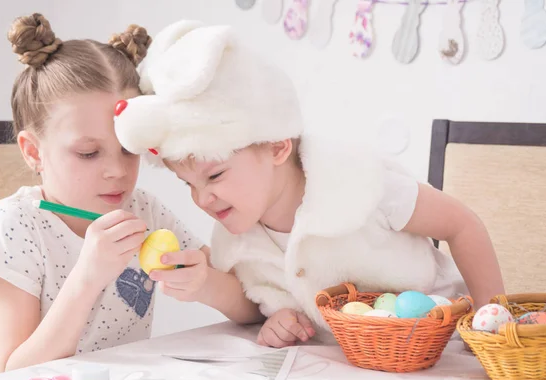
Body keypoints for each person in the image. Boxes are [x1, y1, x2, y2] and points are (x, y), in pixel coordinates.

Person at [113, 20, 506, 348]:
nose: (202, 198)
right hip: (355, 372)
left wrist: (493, 326)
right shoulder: (237, 239)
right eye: (188, 185)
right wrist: (277, 320)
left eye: (214, 176)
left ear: (277, 147)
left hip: (447, 348)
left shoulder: (361, 184)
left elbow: (462, 224)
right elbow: (252, 300)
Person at [0, 14, 260, 380]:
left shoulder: (143, 210)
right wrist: (87, 277)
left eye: (128, 149)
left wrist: (205, 283)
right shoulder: (15, 225)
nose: (117, 171)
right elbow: (13, 374)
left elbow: (252, 309)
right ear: (34, 152)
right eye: (88, 153)